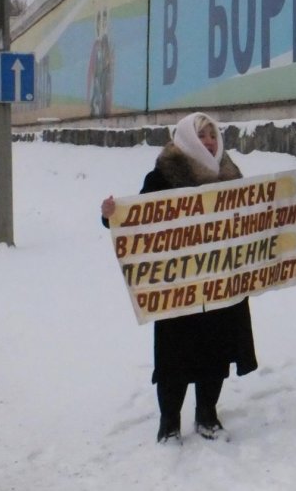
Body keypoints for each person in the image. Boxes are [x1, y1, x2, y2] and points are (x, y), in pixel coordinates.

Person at [100, 112, 257, 444]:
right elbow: (139, 219)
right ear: (186, 139)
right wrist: (111, 215)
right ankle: (169, 420)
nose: (209, 142)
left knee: (217, 348)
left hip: (221, 281)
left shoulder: (229, 175)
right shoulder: (163, 176)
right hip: (179, 286)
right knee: (176, 354)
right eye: (202, 135)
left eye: (213, 135)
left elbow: (256, 213)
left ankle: (207, 413)